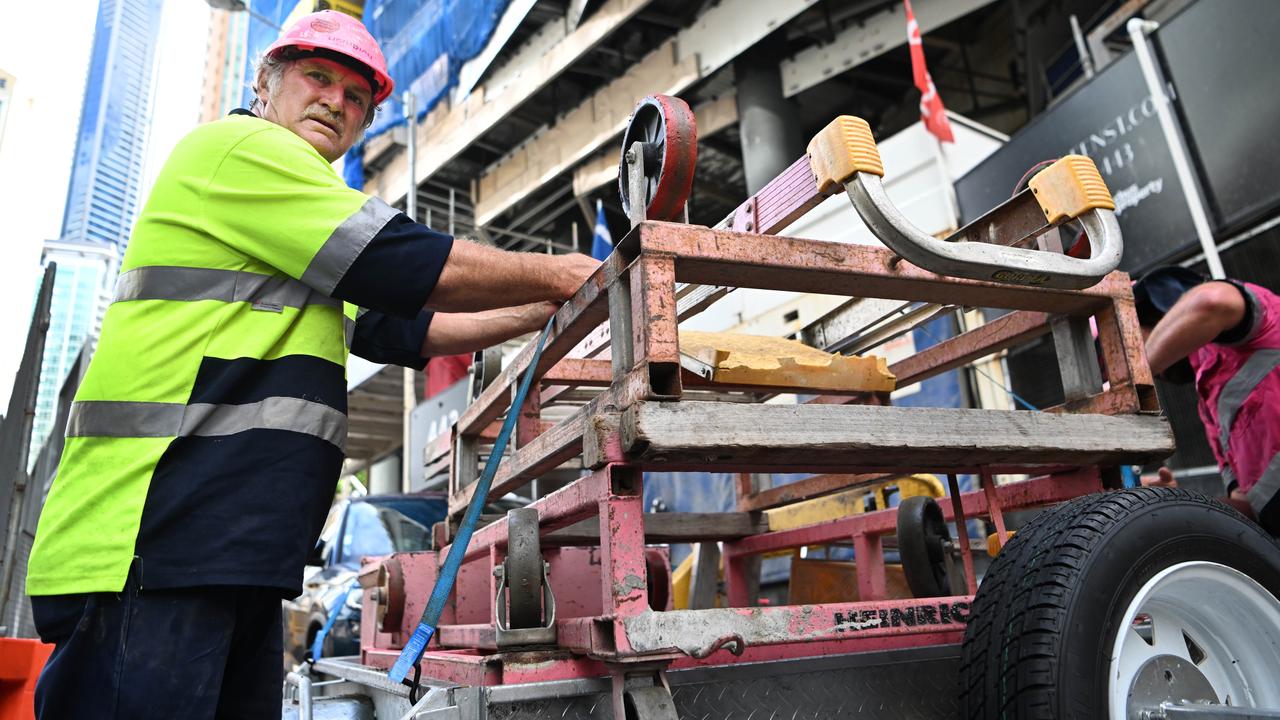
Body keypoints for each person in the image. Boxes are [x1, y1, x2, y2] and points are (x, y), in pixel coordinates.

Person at [24, 11, 599, 719]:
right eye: (317, 78)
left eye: (356, 97)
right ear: (265, 83)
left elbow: (405, 328)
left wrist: (554, 309)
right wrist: (560, 273)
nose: (336, 101)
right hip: (150, 543)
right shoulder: (238, 150)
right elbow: (403, 264)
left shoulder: (289, 235)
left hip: (229, 550)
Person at [1133, 265, 1280, 535]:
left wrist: (1133, 374)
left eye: (1127, 343)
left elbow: (1211, 301)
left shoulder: (1260, 319)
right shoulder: (1211, 405)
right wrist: (1175, 503)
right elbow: (1248, 508)